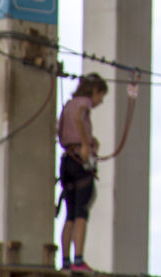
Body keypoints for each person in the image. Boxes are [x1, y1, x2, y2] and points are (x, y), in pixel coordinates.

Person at [57, 73, 107, 274]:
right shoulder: (83, 103)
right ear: (94, 91)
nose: (100, 101)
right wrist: (86, 145)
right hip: (80, 163)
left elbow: (61, 132)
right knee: (81, 213)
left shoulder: (68, 105)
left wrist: (85, 139)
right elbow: (79, 117)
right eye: (101, 96)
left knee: (69, 214)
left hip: (67, 160)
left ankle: (66, 260)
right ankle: (79, 260)